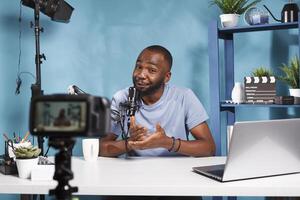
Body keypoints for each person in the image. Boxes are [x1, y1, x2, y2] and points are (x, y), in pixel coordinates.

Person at [100, 45, 215, 158]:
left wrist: (167, 143)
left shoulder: (184, 97)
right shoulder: (122, 98)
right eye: (138, 67)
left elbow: (209, 148)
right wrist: (130, 143)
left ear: (166, 77)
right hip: (135, 172)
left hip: (177, 171)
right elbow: (100, 148)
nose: (141, 75)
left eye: (152, 70)